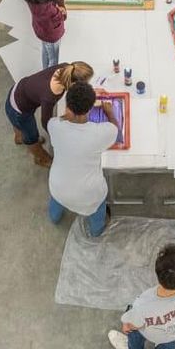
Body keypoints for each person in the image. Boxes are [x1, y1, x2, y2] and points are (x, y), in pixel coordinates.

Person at [47, 81, 118, 236]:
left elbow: (64, 119)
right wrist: (109, 112)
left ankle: (54, 217)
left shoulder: (53, 125)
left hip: (57, 188)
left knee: (57, 201)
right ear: (91, 108)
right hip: (89, 196)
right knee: (97, 212)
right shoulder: (99, 134)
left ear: (67, 105)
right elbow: (114, 129)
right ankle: (96, 231)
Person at [4, 61, 94, 168]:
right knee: (32, 138)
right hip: (19, 111)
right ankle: (41, 158)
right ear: (73, 84)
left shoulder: (66, 67)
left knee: (21, 127)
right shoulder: (50, 96)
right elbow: (46, 123)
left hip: (17, 90)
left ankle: (19, 137)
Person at [20, 0, 66, 68]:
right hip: (52, 35)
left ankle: (44, 70)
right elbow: (61, 16)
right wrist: (59, 2)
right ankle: (48, 74)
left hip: (41, 31)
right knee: (54, 58)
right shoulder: (46, 9)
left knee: (46, 50)